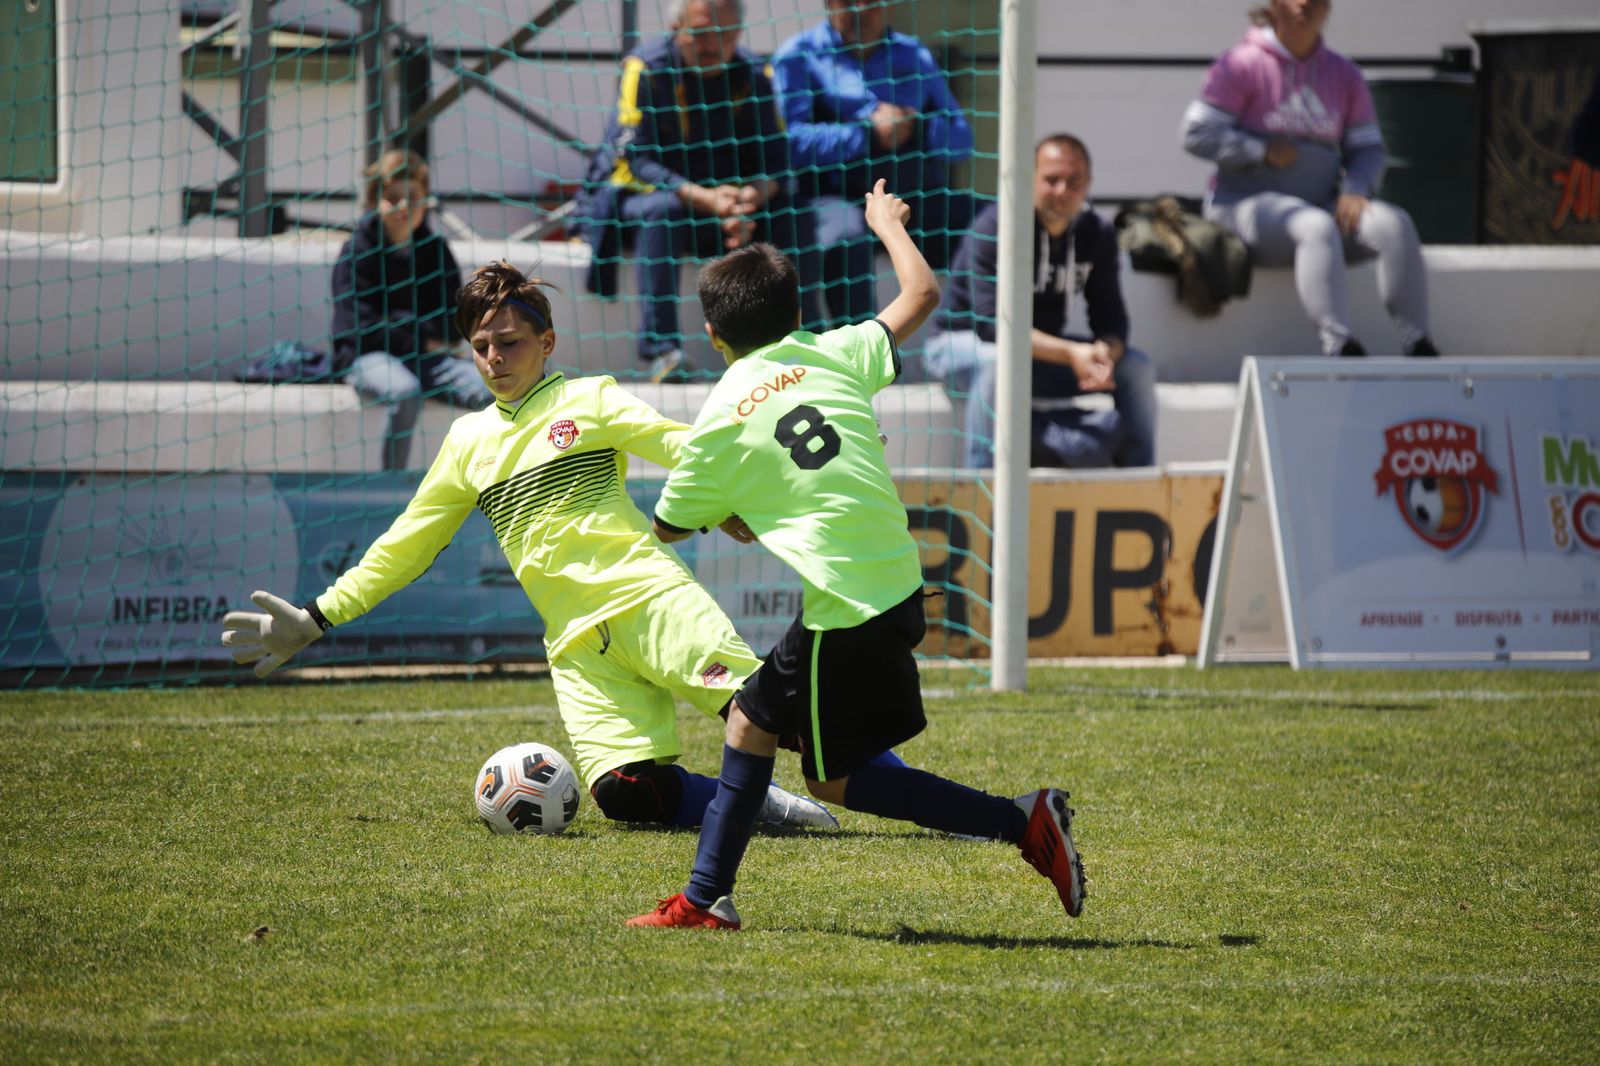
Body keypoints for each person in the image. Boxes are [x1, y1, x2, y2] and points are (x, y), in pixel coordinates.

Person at [221, 261, 837, 833]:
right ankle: (763, 804)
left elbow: (685, 445)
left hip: (648, 599)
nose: (493, 358)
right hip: (574, 643)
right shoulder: (467, 440)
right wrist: (318, 615)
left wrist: (742, 491)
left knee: (788, 726)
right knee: (626, 792)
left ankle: (916, 797)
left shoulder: (587, 399)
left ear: (547, 343)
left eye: (509, 342)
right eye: (481, 347)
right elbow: (404, 544)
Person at [626, 182, 1086, 930]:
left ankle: (1022, 821)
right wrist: (885, 224)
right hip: (896, 583)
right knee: (747, 723)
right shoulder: (836, 350)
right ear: (799, 314)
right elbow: (924, 292)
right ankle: (706, 900)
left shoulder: (718, 416)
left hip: (848, 606)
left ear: (713, 335)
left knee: (833, 780)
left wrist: (733, 515)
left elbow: (670, 524)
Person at [571, 0, 820, 382]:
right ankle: (662, 352)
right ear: (677, 28)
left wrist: (752, 196)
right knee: (662, 209)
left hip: (727, 204)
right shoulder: (645, 69)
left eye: (724, 35)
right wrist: (705, 198)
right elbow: (635, 160)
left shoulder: (755, 74)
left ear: (738, 32)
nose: (711, 44)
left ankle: (800, 345)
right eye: (701, 33)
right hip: (648, 200)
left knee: (794, 211)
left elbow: (778, 159)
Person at [1179, 0, 1439, 358]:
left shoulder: (1343, 73)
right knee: (1314, 226)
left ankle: (1418, 345)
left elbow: (1369, 150)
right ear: (1274, 5)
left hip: (1322, 204)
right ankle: (1340, 345)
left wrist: (1356, 189)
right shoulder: (1241, 63)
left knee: (1394, 224)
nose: (1305, 5)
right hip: (1241, 206)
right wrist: (1260, 151)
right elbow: (1196, 132)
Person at [928, 134, 1157, 469]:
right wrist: (1070, 353)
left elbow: (1111, 317)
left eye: (1073, 181)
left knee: (1137, 367)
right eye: (1052, 180)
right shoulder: (996, 226)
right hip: (959, 346)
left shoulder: (1097, 233)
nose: (1062, 191)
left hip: (1036, 356)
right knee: (997, 363)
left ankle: (1141, 482)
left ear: (1089, 184)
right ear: (1030, 179)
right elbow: (993, 328)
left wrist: (1104, 355)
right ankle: (979, 487)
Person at [771, 0, 974, 326]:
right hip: (836, 197)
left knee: (996, 223)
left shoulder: (914, 54)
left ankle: (978, 343)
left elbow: (962, 140)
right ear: (829, 4)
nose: (860, 11)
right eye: (848, 2)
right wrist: (866, 134)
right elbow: (788, 144)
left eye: (871, 2)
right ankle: (857, 357)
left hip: (912, 197)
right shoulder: (798, 55)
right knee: (846, 238)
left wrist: (914, 123)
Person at [331, 149, 492, 470]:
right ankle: (391, 490)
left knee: (494, 388)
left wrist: (399, 325)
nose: (404, 206)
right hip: (368, 359)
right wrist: (420, 336)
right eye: (392, 197)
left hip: (427, 360)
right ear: (374, 201)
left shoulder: (436, 252)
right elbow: (358, 330)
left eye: (413, 196)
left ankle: (491, 482)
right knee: (405, 392)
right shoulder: (357, 252)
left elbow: (453, 326)